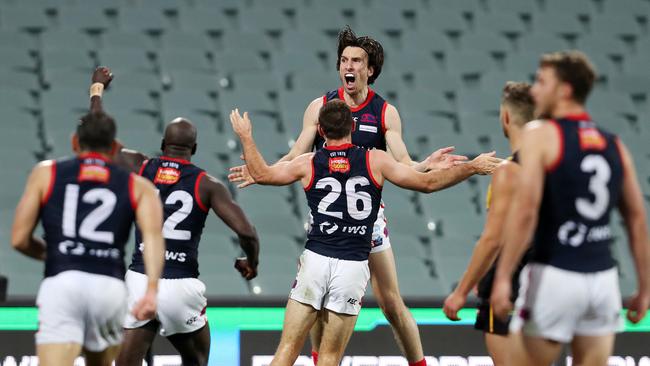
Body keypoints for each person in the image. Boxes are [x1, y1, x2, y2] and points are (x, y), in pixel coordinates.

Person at [228, 26, 501, 366]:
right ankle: (320, 359)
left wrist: (425, 164)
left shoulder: (384, 112)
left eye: (357, 60)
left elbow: (404, 164)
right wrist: (265, 170)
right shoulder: (321, 106)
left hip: (368, 220)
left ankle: (417, 362)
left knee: (389, 302)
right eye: (344, 59)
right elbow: (297, 152)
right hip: (329, 218)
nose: (349, 66)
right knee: (324, 309)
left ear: (370, 69)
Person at [86, 67, 260, 366]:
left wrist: (97, 90)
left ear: (163, 145)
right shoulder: (206, 184)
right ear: (193, 148)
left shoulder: (140, 166)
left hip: (141, 278)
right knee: (197, 360)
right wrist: (250, 263)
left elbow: (97, 137)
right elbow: (246, 232)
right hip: (181, 285)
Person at [490, 51, 650, 365]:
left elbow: (526, 211)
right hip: (603, 280)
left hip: (555, 277)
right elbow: (636, 219)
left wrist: (503, 277)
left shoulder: (542, 135)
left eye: (541, 81)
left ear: (564, 90)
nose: (535, 90)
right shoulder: (612, 142)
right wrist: (645, 287)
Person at [11, 110, 165, 366]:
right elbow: (153, 238)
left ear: (74, 141)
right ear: (115, 147)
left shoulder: (46, 172)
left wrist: (52, 254)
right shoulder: (138, 186)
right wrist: (151, 291)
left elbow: (19, 239)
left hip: (62, 283)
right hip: (109, 287)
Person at [442, 82, 535, 365]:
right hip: (549, 285)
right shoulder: (555, 165)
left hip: (510, 286)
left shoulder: (510, 171)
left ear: (506, 117)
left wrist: (460, 292)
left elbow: (494, 239)